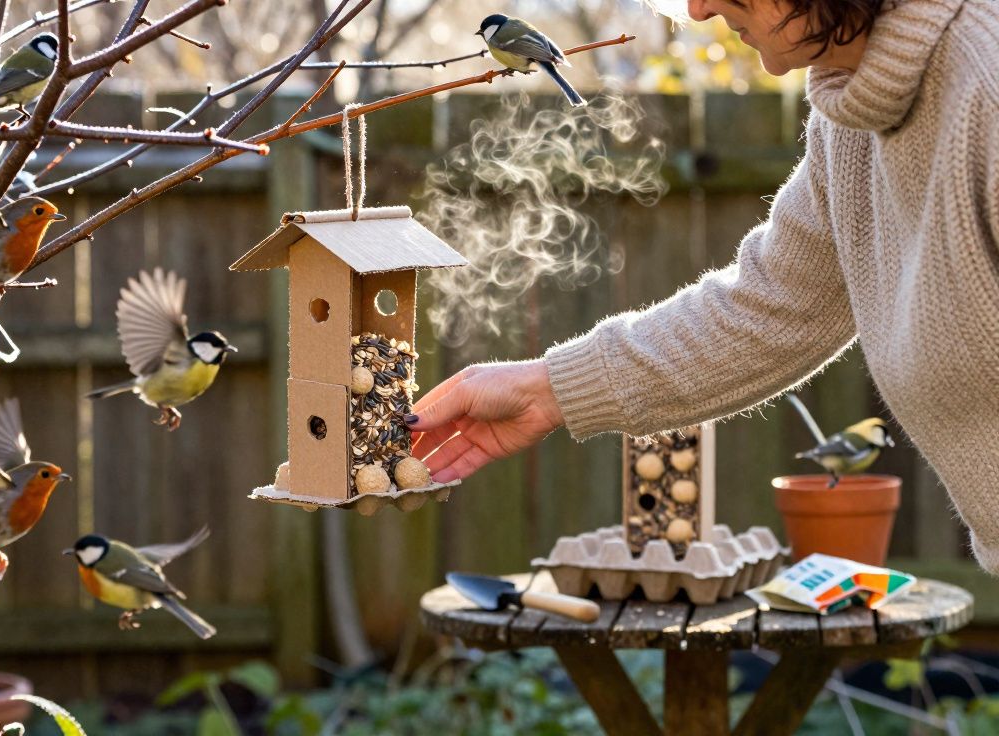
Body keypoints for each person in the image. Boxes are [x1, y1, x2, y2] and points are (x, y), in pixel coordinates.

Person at [407, 0, 999, 571]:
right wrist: (546, 389)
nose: (696, 9)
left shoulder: (985, 81)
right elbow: (770, 309)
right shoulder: (849, 115)